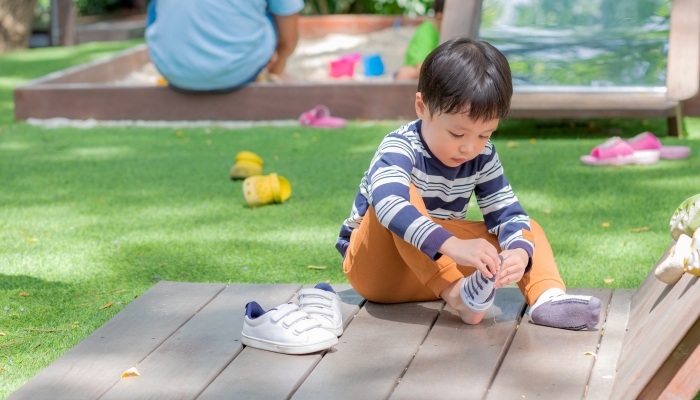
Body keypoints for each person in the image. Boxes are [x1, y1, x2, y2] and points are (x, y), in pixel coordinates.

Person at [337, 37, 602, 330]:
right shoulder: (400, 147)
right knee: (398, 201)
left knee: (528, 230)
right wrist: (453, 245)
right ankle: (457, 296)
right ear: (422, 107)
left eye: (484, 134)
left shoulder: (482, 156)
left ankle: (547, 299)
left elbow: (508, 215)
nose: (470, 148)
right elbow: (388, 206)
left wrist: (517, 252)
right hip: (377, 271)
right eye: (457, 134)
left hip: (431, 272)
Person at [145, 0, 303, 92]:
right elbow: (288, 40)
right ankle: (270, 68)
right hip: (236, 73)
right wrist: (278, 68)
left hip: (173, 71)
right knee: (276, 12)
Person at [395, 0, 444, 81]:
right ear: (440, 17)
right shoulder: (426, 33)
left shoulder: (444, 31)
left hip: (435, 68)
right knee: (408, 72)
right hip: (419, 72)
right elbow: (421, 67)